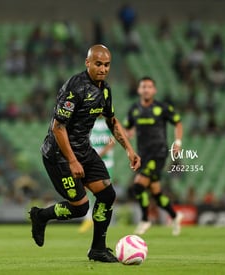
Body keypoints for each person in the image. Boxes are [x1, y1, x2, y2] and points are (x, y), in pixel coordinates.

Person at [29, 44, 140, 262]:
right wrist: (72, 161)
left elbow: (112, 121)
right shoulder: (75, 88)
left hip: (83, 149)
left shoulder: (105, 90)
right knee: (80, 208)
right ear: (87, 63)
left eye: (107, 65)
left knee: (107, 195)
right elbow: (58, 127)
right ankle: (40, 216)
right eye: (98, 64)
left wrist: (129, 149)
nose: (103, 68)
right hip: (59, 154)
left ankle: (98, 249)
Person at [124, 76, 184, 236]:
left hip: (158, 153)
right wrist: (126, 136)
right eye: (143, 87)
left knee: (138, 185)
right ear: (139, 90)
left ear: (154, 90)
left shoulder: (162, 108)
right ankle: (175, 215)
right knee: (156, 194)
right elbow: (128, 129)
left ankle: (145, 220)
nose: (146, 89)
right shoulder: (134, 109)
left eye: (149, 87)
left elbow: (178, 122)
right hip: (142, 155)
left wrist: (177, 142)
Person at [79, 116, 115, 233]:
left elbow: (112, 141)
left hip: (106, 164)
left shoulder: (107, 122)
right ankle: (89, 218)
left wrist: (98, 156)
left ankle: (105, 219)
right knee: (86, 189)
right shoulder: (90, 122)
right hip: (91, 162)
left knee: (104, 192)